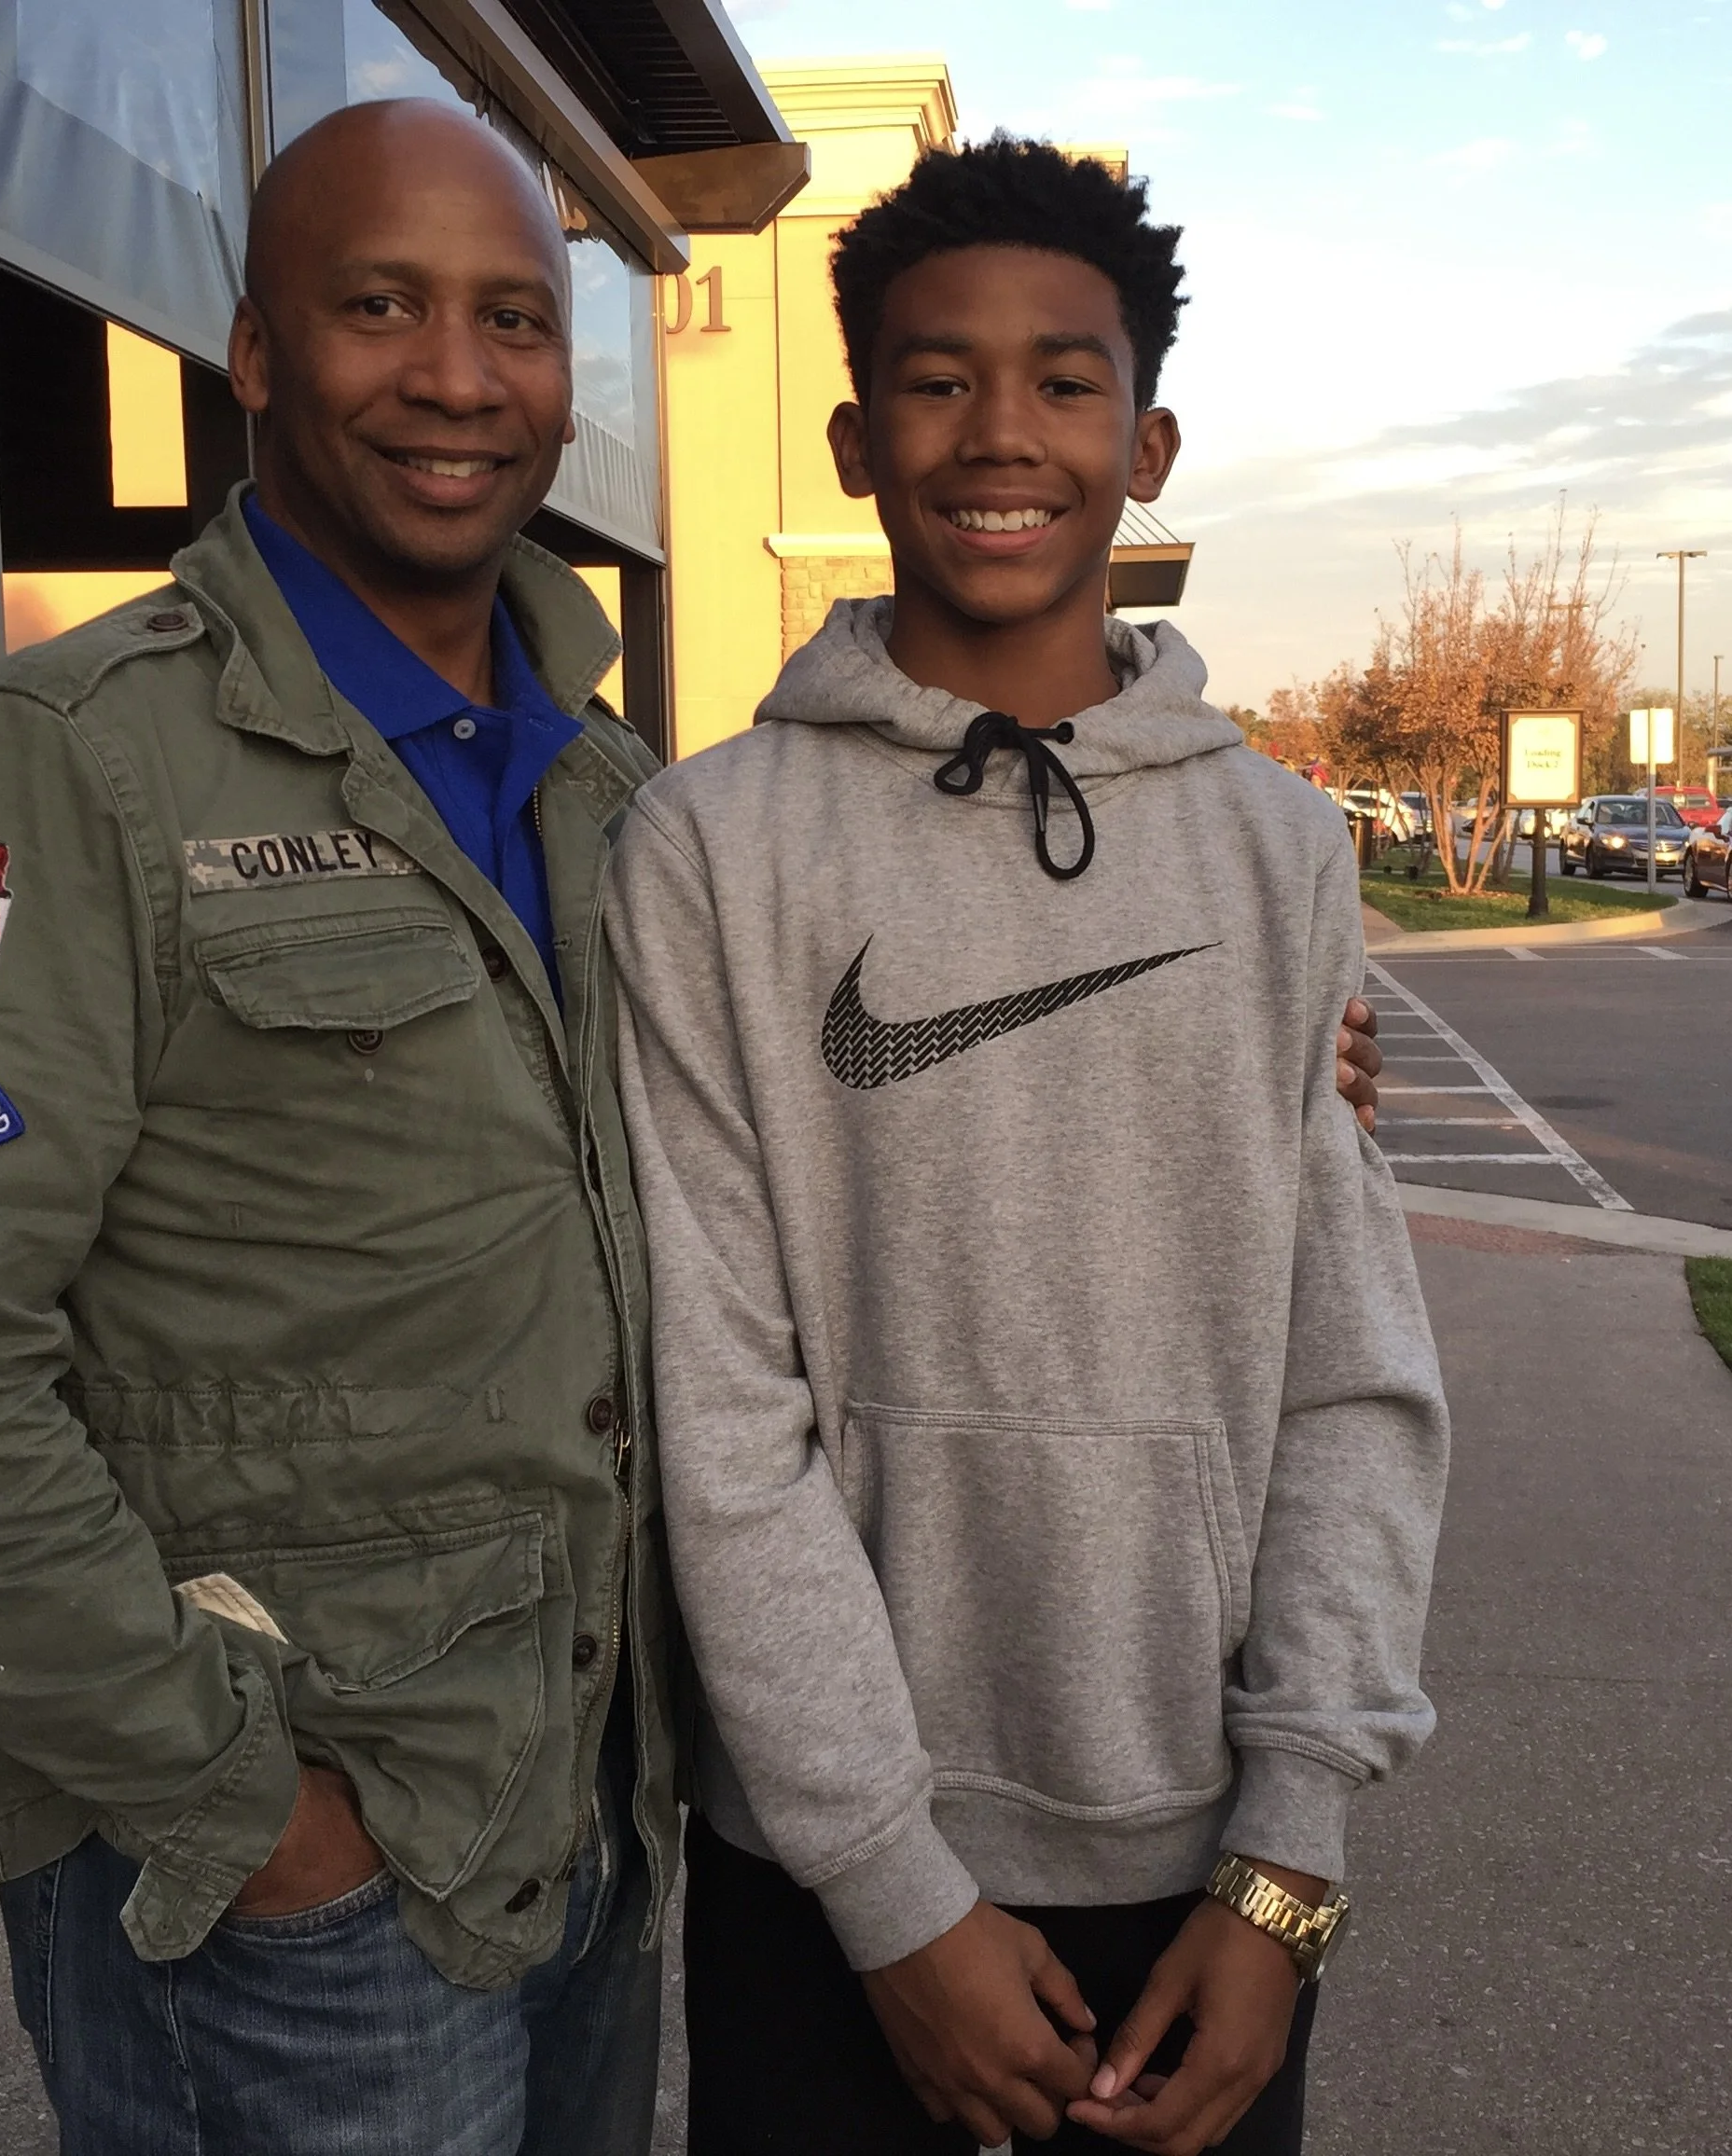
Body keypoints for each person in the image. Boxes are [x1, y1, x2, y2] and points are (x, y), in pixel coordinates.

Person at [0, 104, 1383, 2156]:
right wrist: (253, 1809)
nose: (455, 374)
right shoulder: (66, 767)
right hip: (300, 1885)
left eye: (511, 319)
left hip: (586, 1841)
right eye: (379, 307)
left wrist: (1247, 1054)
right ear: (254, 353)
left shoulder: (608, 793)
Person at [604, 138, 1448, 2156]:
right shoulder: (709, 846)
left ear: (1144, 446)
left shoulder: (1278, 848)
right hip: (830, 1876)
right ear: (854, 438)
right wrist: (888, 1888)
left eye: (1063, 381)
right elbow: (721, 1407)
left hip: (1209, 1865)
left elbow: (1348, 1373)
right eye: (936, 378)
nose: (1000, 431)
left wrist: (1290, 1856)